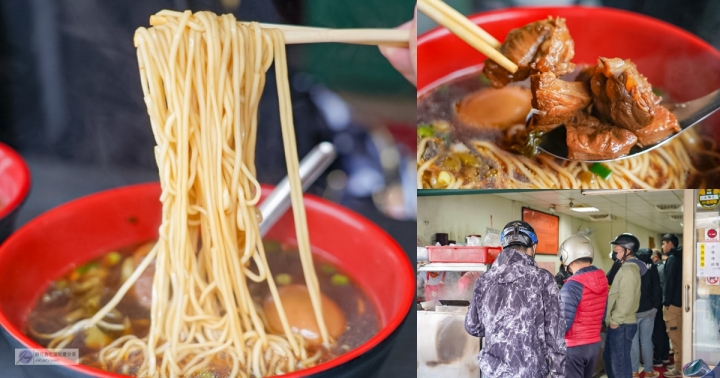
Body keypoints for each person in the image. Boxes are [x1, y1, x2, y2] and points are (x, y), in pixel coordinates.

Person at [464, 221, 566, 378]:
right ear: (534, 247)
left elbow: (473, 327)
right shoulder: (543, 280)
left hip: (493, 371)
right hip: (530, 372)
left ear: (503, 246)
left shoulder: (484, 280)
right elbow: (555, 336)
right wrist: (557, 374)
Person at [558, 234, 608, 378]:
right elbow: (602, 315)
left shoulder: (572, 286)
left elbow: (563, 324)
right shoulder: (602, 279)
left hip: (574, 347)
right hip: (594, 345)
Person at [605, 233, 643, 378]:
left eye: (617, 250)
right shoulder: (626, 268)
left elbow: (626, 299)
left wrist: (615, 321)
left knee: (620, 368)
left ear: (628, 251)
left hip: (622, 324)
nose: (614, 253)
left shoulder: (629, 270)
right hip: (620, 323)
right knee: (613, 364)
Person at [631, 248, 663, 378]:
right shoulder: (652, 266)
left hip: (632, 310)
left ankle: (634, 372)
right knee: (646, 341)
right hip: (649, 309)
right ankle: (649, 371)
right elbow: (657, 286)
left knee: (633, 343)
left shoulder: (632, 265)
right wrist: (655, 307)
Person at [661, 234, 683, 378]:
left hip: (673, 305)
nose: (662, 246)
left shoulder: (672, 259)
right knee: (681, 336)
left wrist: (666, 302)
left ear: (670, 244)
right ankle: (678, 363)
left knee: (675, 337)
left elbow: (669, 283)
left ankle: (679, 368)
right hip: (682, 303)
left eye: (663, 243)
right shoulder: (681, 257)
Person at [651, 248, 671, 368]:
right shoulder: (663, 267)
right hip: (664, 303)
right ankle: (665, 356)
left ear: (655, 257)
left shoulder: (657, 269)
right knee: (664, 330)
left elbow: (659, 288)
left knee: (658, 331)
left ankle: (658, 358)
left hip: (659, 304)